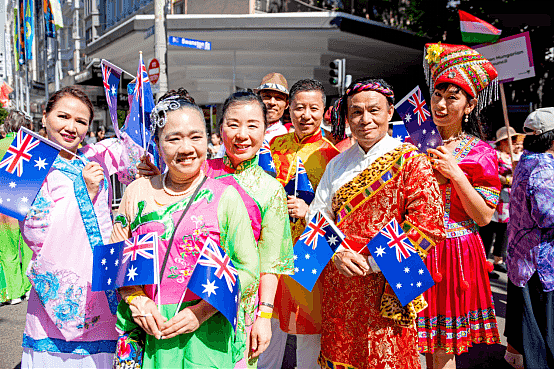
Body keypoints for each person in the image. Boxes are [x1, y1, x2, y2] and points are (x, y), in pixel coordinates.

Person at [113, 88, 260, 369]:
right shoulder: (137, 192)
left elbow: (249, 270)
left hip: (207, 334)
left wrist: (201, 312)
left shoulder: (226, 197)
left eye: (196, 137)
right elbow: (115, 261)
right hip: (147, 331)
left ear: (208, 140)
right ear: (158, 144)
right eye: (173, 138)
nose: (186, 148)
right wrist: (137, 301)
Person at [309, 78, 445, 369]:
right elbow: (317, 216)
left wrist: (373, 263)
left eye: (374, 110)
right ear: (347, 118)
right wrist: (338, 254)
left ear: (390, 112)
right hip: (342, 279)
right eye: (356, 112)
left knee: (387, 356)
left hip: (391, 279)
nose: (365, 119)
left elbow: (428, 225)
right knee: (341, 354)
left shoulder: (412, 161)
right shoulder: (337, 164)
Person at [19, 86, 145, 368]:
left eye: (81, 121)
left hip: (101, 282)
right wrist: (83, 190)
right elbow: (34, 231)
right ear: (44, 116)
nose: (71, 127)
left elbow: (134, 158)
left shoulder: (94, 155)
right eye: (63, 116)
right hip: (60, 284)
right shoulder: (29, 163)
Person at [417, 43, 502, 369]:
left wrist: (456, 175)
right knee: (407, 337)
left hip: (454, 254)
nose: (441, 104)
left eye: (452, 97)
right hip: (411, 248)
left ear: (469, 105)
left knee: (442, 349)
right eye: (437, 95)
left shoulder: (480, 152)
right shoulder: (413, 143)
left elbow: (484, 217)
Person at [203, 90, 294, 367]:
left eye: (252, 125)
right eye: (233, 124)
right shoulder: (199, 173)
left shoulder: (271, 190)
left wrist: (264, 317)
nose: (242, 134)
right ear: (220, 129)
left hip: (241, 308)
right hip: (192, 298)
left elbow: (271, 262)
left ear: (265, 131)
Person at [259, 79, 340, 369]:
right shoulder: (271, 147)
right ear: (288, 110)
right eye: (299, 108)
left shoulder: (332, 156)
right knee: (268, 326)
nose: (306, 115)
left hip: (311, 252)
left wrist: (309, 212)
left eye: (313, 108)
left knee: (310, 332)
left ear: (324, 111)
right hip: (273, 249)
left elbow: (342, 216)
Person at [505, 107, 554, 369]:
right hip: (540, 262)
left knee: (529, 320)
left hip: (523, 258)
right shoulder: (545, 168)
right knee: (542, 329)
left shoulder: (526, 160)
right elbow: (548, 215)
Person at [479, 126, 525, 280]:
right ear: (502, 142)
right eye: (511, 140)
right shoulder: (494, 155)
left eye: (514, 140)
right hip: (495, 198)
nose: (514, 143)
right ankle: (484, 263)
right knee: (489, 231)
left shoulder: (517, 156)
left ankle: (499, 259)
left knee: (504, 231)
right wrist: (508, 179)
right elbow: (490, 174)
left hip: (510, 201)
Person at [0, 110, 34, 306]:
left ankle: (14, 292)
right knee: (29, 245)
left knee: (8, 249)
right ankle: (29, 288)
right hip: (27, 199)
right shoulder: (30, 146)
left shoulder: (1, 145)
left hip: (3, 202)